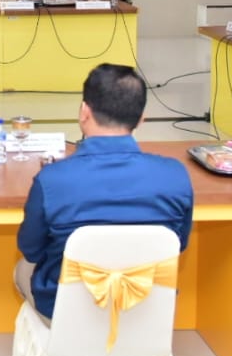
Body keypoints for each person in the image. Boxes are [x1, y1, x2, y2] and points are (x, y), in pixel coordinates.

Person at [15, 64, 193, 321]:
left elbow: (31, 249)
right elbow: (178, 244)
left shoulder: (52, 180)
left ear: (84, 112)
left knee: (22, 269)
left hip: (68, 312)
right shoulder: (175, 176)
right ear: (141, 118)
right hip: (145, 308)